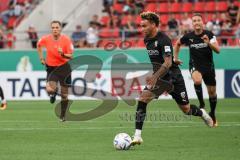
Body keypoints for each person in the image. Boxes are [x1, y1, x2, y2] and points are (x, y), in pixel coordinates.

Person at [131, 12, 213, 146]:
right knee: (142, 99)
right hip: (160, 79)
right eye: (141, 26)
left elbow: (168, 63)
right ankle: (137, 135)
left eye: (144, 26)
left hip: (173, 77)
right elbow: (164, 59)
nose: (142, 29)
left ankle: (202, 113)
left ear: (153, 24)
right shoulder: (147, 39)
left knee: (186, 110)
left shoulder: (163, 39)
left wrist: (155, 75)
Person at [174, 13, 220, 127]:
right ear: (192, 24)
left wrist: (208, 43)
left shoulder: (209, 34)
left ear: (202, 22)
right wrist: (175, 58)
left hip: (208, 67)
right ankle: (202, 105)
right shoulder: (188, 36)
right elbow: (177, 43)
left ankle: (212, 114)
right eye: (194, 21)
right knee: (197, 80)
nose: (196, 22)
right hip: (195, 65)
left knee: (212, 93)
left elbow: (218, 50)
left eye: (198, 20)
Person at [37, 20, 74, 122]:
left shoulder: (66, 40)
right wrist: (41, 58)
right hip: (51, 68)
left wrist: (63, 54)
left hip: (64, 68)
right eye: (53, 28)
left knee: (65, 95)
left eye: (57, 27)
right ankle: (53, 94)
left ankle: (63, 115)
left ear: (60, 28)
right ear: (51, 29)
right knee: (49, 89)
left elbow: (71, 56)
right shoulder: (46, 39)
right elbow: (39, 45)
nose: (55, 29)